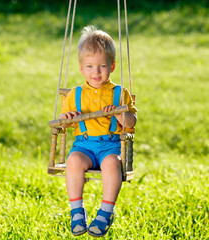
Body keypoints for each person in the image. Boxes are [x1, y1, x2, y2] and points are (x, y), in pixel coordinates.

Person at [58, 25, 138, 237]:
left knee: (113, 165)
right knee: (73, 161)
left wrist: (121, 114)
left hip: (110, 145)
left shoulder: (120, 93)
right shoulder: (74, 94)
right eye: (90, 66)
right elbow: (64, 123)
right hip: (84, 145)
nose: (96, 72)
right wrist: (66, 119)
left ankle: (105, 211)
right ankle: (76, 210)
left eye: (102, 66)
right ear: (81, 68)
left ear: (112, 67)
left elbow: (132, 122)